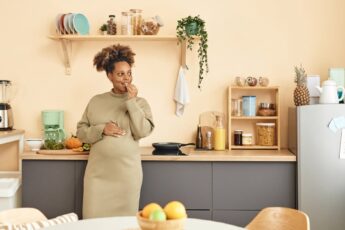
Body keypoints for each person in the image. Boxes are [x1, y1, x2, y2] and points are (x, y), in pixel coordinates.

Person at [76, 44, 154, 219]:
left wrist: (131, 102)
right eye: (120, 74)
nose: (126, 78)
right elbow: (81, 132)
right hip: (98, 177)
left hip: (127, 177)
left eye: (129, 73)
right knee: (93, 224)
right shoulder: (96, 101)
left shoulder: (140, 103)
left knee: (124, 224)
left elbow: (142, 131)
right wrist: (102, 128)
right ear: (109, 76)